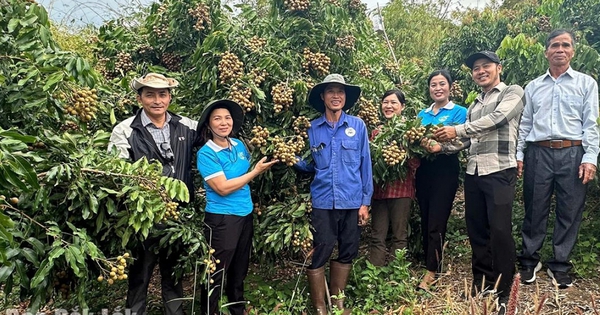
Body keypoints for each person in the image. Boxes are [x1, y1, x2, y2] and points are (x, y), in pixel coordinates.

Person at [426, 51, 524, 315]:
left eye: (486, 66)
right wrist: (441, 147)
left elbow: (496, 120)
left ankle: (503, 292)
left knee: (500, 230)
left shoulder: (512, 93)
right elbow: (466, 141)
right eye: (476, 68)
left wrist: (456, 130)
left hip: (499, 170)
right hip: (474, 172)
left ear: (498, 68)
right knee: (477, 229)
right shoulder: (474, 104)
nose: (480, 71)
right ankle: (482, 283)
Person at [108, 73, 201, 315]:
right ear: (139, 98)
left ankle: (175, 312)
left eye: (162, 94)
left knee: (173, 272)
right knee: (140, 272)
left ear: (170, 97)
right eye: (150, 94)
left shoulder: (188, 126)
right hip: (143, 216)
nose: (157, 100)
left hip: (178, 214)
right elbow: (117, 172)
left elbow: (214, 144)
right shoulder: (125, 130)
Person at [516, 29, 599, 289]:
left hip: (573, 153)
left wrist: (590, 157)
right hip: (538, 152)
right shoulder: (533, 86)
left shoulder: (586, 83)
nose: (560, 50)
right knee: (534, 207)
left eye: (565, 45)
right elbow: (525, 122)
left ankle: (560, 264)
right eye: (554, 45)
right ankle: (530, 260)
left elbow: (591, 124)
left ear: (572, 50)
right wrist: (519, 153)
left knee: (570, 210)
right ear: (546, 52)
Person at [295, 74, 373, 315]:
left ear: (345, 97)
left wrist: (365, 202)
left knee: (348, 249)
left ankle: (337, 302)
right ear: (323, 96)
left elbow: (365, 164)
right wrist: (289, 158)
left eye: (340, 91)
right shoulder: (312, 128)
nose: (336, 95)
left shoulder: (357, 126)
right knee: (323, 246)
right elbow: (309, 164)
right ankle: (320, 306)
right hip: (323, 200)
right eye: (331, 91)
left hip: (351, 199)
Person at [196, 99, 277, 315]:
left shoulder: (239, 145)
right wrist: (255, 172)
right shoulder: (206, 153)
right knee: (215, 271)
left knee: (239, 268)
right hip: (222, 219)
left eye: (227, 118)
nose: (224, 123)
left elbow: (248, 167)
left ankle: (236, 308)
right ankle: (209, 311)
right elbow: (222, 188)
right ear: (208, 125)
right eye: (217, 118)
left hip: (245, 214)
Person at [415, 70, 467, 290]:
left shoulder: (459, 112)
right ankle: (430, 257)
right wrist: (421, 143)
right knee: (426, 215)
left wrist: (441, 147)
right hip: (424, 169)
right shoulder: (422, 113)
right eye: (433, 84)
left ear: (450, 87)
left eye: (442, 84)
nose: (437, 88)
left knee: (437, 218)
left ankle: (431, 271)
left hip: (445, 169)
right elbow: (415, 137)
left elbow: (463, 140)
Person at [368, 89, 420, 267]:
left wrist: (404, 153)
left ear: (402, 107)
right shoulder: (376, 132)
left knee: (399, 235)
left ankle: (397, 274)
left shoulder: (410, 131)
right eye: (385, 102)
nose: (388, 106)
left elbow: (416, 163)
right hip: (379, 193)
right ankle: (374, 275)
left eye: (393, 103)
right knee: (377, 235)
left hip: (401, 190)